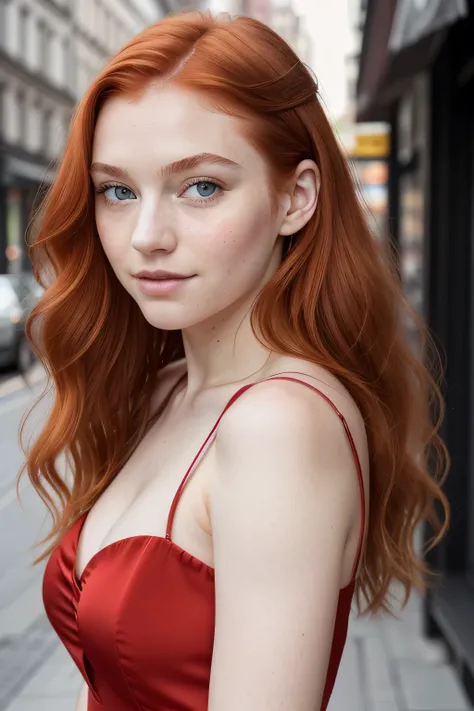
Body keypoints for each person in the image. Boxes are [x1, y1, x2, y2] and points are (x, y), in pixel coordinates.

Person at [20, 10, 449, 711]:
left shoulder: (278, 424)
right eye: (118, 191)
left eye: (202, 187)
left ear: (295, 197)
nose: (147, 236)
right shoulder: (167, 387)